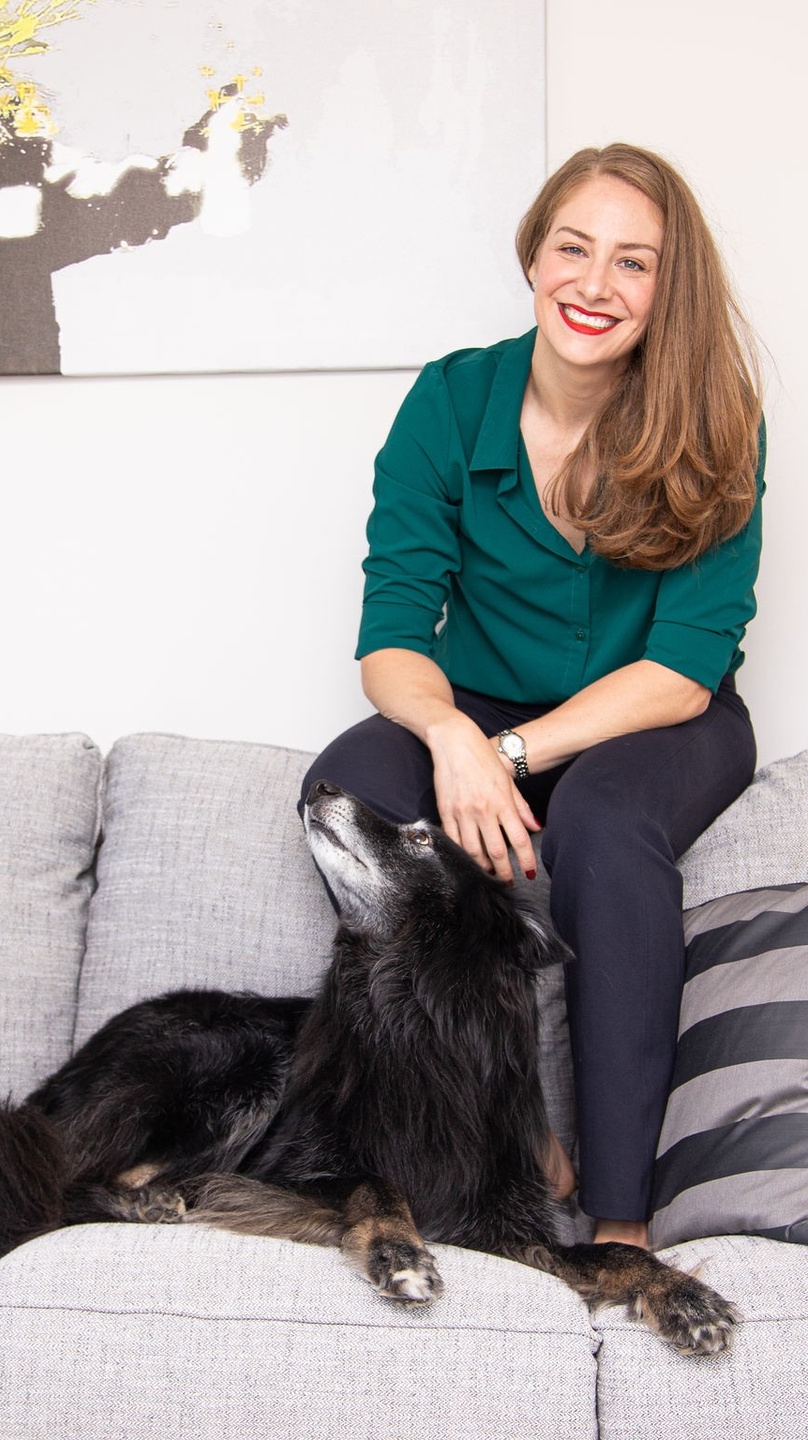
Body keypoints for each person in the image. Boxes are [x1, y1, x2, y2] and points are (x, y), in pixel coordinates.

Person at [301, 143, 765, 1249]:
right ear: (534, 255)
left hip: (656, 714)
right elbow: (392, 636)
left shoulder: (719, 418)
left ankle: (620, 1220)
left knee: (601, 826)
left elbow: (684, 666)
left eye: (633, 263)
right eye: (573, 248)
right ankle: (506, 1126)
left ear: (668, 288)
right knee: (347, 793)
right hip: (481, 704)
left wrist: (511, 758)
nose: (594, 285)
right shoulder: (451, 400)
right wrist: (451, 734)